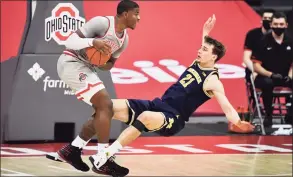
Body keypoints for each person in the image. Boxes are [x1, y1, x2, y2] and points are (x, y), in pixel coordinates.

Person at [48, 14, 255, 172]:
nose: (199, 51)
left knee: (145, 117)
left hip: (173, 118)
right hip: (158, 104)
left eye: (204, 49)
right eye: (200, 47)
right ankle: (73, 149)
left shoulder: (213, 81)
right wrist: (205, 31)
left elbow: (227, 107)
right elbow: (207, 45)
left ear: (214, 57)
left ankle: (105, 157)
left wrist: (238, 123)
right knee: (107, 106)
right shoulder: (199, 61)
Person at [54, 0, 140, 176]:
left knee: (107, 110)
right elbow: (69, 41)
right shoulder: (102, 23)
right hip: (71, 62)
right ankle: (102, 158)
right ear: (125, 14)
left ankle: (72, 150)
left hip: (87, 67)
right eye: (136, 13)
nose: (139, 18)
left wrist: (102, 60)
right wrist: (93, 43)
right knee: (105, 105)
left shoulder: (124, 40)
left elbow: (108, 65)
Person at [252, 12, 293, 127]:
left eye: (281, 24)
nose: (278, 27)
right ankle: (268, 115)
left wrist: (290, 76)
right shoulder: (262, 42)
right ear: (271, 25)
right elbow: (256, 66)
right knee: (268, 83)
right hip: (265, 76)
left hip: (284, 76)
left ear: (286, 25)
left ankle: (290, 115)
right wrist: (271, 74)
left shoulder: (290, 41)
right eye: (276, 24)